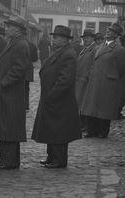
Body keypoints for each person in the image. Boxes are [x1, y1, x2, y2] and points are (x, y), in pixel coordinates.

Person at [0, 15, 31, 170]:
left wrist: (4, 83)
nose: (6, 28)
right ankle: (8, 160)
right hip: (8, 93)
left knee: (8, 128)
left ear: (18, 29)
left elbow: (19, 68)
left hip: (11, 94)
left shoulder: (20, 44)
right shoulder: (13, 42)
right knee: (6, 128)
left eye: (10, 26)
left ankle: (8, 161)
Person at [32, 25, 81, 168]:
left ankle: (59, 160)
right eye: (53, 37)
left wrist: (52, 94)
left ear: (65, 40)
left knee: (59, 131)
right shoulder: (59, 52)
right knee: (51, 129)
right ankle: (51, 156)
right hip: (52, 99)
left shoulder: (68, 54)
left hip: (60, 100)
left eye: (56, 37)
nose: (53, 40)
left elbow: (65, 80)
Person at [80, 22, 125, 138]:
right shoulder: (100, 46)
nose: (108, 32)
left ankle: (102, 131)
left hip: (108, 82)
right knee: (93, 106)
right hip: (95, 80)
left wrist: (111, 75)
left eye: (111, 31)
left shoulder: (119, 49)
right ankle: (92, 131)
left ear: (116, 35)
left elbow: (122, 68)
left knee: (104, 109)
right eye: (108, 30)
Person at [75, 28, 97, 130]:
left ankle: (84, 125)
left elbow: (94, 65)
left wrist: (88, 76)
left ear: (93, 38)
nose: (85, 39)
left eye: (88, 37)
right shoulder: (85, 49)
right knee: (80, 103)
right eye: (84, 38)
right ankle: (80, 124)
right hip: (80, 81)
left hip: (86, 81)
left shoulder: (94, 49)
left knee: (85, 104)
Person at [25, 34, 39, 110]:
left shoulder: (15, 45)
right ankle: (26, 105)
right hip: (28, 69)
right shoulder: (32, 46)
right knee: (26, 88)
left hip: (16, 69)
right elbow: (35, 59)